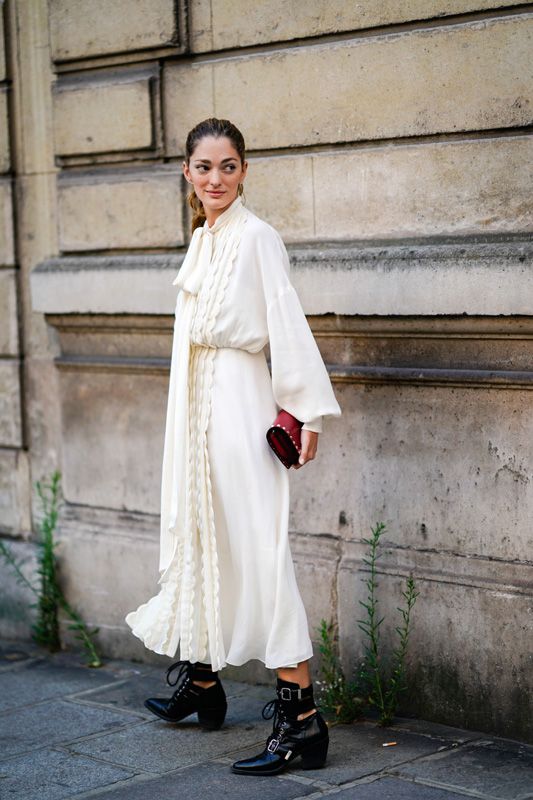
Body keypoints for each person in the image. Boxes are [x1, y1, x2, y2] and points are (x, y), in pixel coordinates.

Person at [125, 118, 341, 776]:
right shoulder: (203, 238)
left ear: (244, 170)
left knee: (257, 552)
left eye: (227, 166)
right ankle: (202, 683)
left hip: (240, 417)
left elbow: (285, 321)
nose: (214, 178)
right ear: (185, 174)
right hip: (194, 417)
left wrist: (304, 412)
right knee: (197, 538)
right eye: (202, 167)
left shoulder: (256, 238)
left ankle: (301, 723)